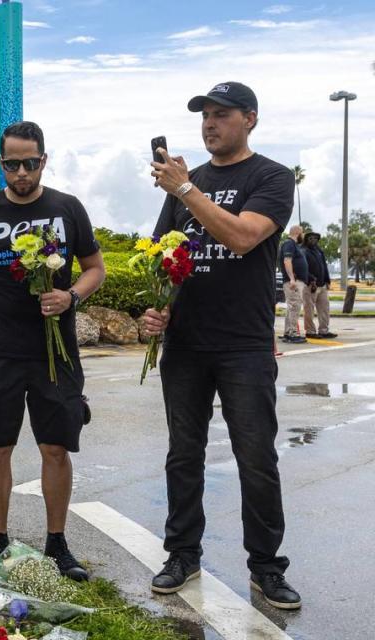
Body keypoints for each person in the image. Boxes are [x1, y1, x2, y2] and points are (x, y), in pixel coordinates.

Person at [143, 81, 301, 609]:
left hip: (243, 345)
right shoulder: (187, 184)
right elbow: (165, 256)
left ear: (250, 119)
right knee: (182, 456)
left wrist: (186, 190)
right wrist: (154, 307)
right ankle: (182, 554)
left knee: (255, 458)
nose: (210, 124)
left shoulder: (272, 177)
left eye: (222, 114)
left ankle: (266, 568)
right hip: (186, 344)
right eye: (205, 115)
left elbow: (242, 236)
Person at [0, 121, 105, 580]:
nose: (21, 173)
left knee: (56, 447)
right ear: (1, 163)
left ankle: (57, 543)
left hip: (56, 352)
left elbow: (95, 268)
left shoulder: (67, 208)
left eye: (29, 163)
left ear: (43, 160)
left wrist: (71, 295)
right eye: (12, 164)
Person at [302, 231, 336, 339]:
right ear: (307, 240)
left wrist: (327, 280)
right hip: (310, 285)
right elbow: (303, 269)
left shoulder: (319, 251)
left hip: (322, 285)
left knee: (325, 308)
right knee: (309, 309)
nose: (314, 240)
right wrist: (310, 279)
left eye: (316, 238)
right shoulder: (303, 251)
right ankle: (310, 331)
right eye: (311, 238)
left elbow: (324, 266)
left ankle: (324, 330)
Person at [280, 225, 308, 343]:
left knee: (292, 307)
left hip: (297, 281)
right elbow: (287, 260)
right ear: (297, 232)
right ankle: (292, 333)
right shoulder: (289, 243)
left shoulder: (293, 245)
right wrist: (292, 278)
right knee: (295, 306)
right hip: (293, 281)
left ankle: (288, 332)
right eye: (302, 233)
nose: (303, 236)